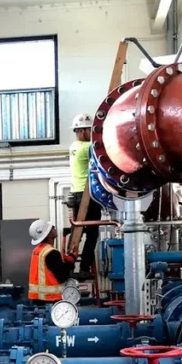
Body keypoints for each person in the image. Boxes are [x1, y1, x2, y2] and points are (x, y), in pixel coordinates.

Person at [68, 113, 101, 278]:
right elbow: (102, 149)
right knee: (92, 233)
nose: (92, 133)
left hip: (76, 193)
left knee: (77, 233)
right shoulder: (85, 148)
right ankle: (84, 269)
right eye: (89, 130)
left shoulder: (74, 146)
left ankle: (68, 267)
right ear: (81, 131)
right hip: (86, 195)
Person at [27, 219, 76, 301]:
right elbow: (62, 276)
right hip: (51, 299)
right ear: (48, 235)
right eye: (52, 228)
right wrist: (71, 260)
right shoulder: (51, 253)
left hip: (37, 299)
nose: (54, 228)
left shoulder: (37, 250)